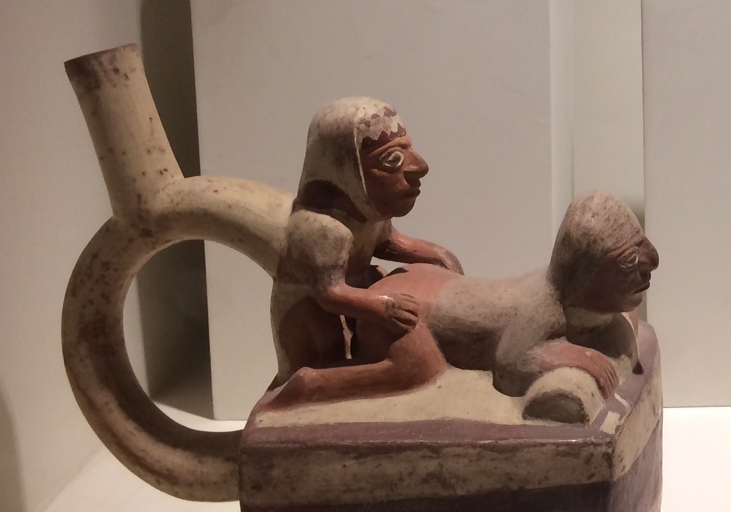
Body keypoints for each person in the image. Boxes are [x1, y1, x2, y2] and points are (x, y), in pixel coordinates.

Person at [264, 193, 659, 424]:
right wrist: (577, 356)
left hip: (428, 287)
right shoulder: (544, 307)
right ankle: (312, 385)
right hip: (405, 314)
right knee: (420, 371)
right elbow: (510, 366)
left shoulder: (568, 303)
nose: (648, 270)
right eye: (627, 264)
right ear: (584, 276)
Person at [269, 99, 462, 384]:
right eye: (392, 160)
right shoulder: (323, 227)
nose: (419, 167)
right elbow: (330, 293)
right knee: (328, 353)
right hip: (314, 310)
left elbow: (389, 242)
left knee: (383, 280)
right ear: (345, 173)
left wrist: (436, 255)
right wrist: (383, 306)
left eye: (409, 151)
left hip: (355, 296)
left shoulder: (365, 212)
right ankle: (306, 390)